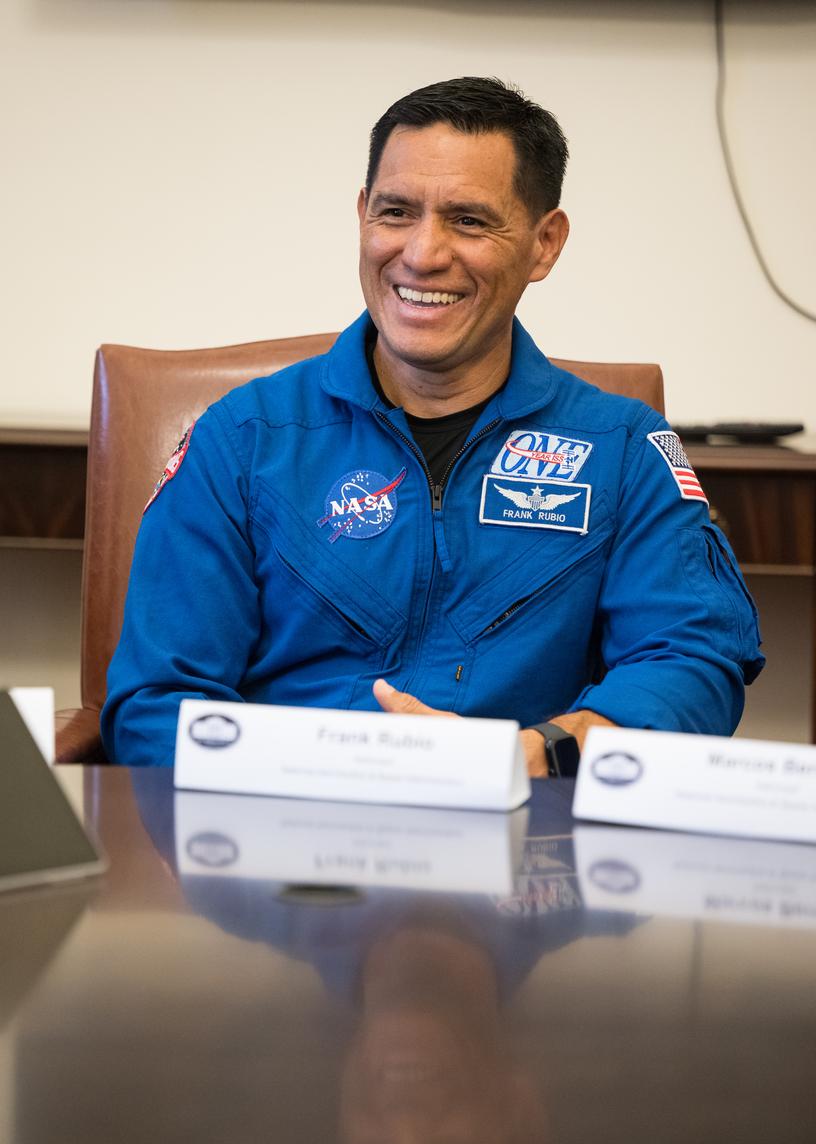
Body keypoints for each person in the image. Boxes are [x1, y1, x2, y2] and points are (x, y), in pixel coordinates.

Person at [101, 76, 764, 770]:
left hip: (525, 840)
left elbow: (692, 660)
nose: (422, 254)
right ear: (362, 215)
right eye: (395, 212)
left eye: (470, 220)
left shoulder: (622, 449)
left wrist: (538, 755)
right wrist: (334, 776)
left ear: (545, 243)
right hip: (286, 842)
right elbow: (156, 702)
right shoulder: (242, 441)